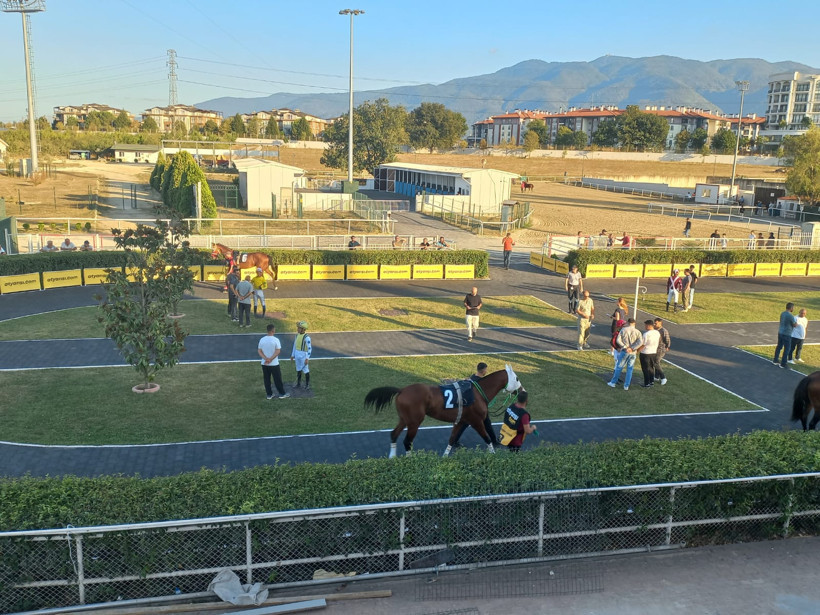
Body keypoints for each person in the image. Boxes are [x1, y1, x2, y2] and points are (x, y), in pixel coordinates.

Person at [450, 363, 499, 449]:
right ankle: (494, 441)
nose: (486, 371)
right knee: (486, 423)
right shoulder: (481, 382)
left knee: (467, 424)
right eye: (486, 369)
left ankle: (455, 441)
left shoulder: (472, 378)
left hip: (471, 407)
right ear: (483, 370)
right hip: (478, 408)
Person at [607, 318, 643, 390]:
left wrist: (625, 347)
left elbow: (618, 340)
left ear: (628, 322)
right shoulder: (638, 332)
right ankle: (626, 385)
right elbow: (640, 342)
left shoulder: (623, 330)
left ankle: (613, 382)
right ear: (634, 323)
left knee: (619, 367)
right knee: (630, 368)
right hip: (633, 352)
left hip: (624, 351)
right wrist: (632, 348)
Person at [258, 324, 289, 400]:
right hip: (274, 364)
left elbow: (259, 351)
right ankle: (282, 393)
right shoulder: (276, 340)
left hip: (264, 364)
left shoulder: (262, 339)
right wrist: (270, 359)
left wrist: (266, 359)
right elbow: (278, 351)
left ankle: (269, 394)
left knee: (267, 379)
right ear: (273, 331)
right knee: (277, 379)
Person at [638, 320, 661, 388]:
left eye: (645, 325)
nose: (645, 327)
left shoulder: (646, 334)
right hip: (653, 352)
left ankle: (646, 383)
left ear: (648, 325)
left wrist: (637, 351)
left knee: (645, 369)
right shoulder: (657, 332)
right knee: (651, 368)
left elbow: (643, 344)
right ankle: (651, 381)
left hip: (645, 353)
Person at [773, 302, 797, 369]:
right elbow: (794, 324)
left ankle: (775, 360)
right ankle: (783, 363)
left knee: (779, 346)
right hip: (787, 334)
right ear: (791, 308)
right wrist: (797, 324)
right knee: (787, 349)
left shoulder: (782, 313)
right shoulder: (790, 316)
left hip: (780, 332)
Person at [290, 320, 312, 389]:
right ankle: (298, 383)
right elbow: (294, 345)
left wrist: (307, 358)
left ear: (303, 329)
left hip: (303, 355)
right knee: (298, 368)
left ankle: (307, 384)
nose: (297, 329)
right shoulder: (297, 336)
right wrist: (292, 355)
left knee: (305, 369)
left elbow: (310, 349)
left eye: (299, 328)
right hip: (297, 354)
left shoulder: (307, 337)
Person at [653, 317, 670, 385]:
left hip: (661, 349)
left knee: (656, 362)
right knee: (656, 362)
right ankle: (656, 376)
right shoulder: (655, 330)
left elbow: (667, 339)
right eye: (654, 323)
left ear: (660, 323)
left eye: (656, 323)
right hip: (655, 348)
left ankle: (663, 377)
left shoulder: (663, 331)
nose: (654, 324)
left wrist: (667, 346)